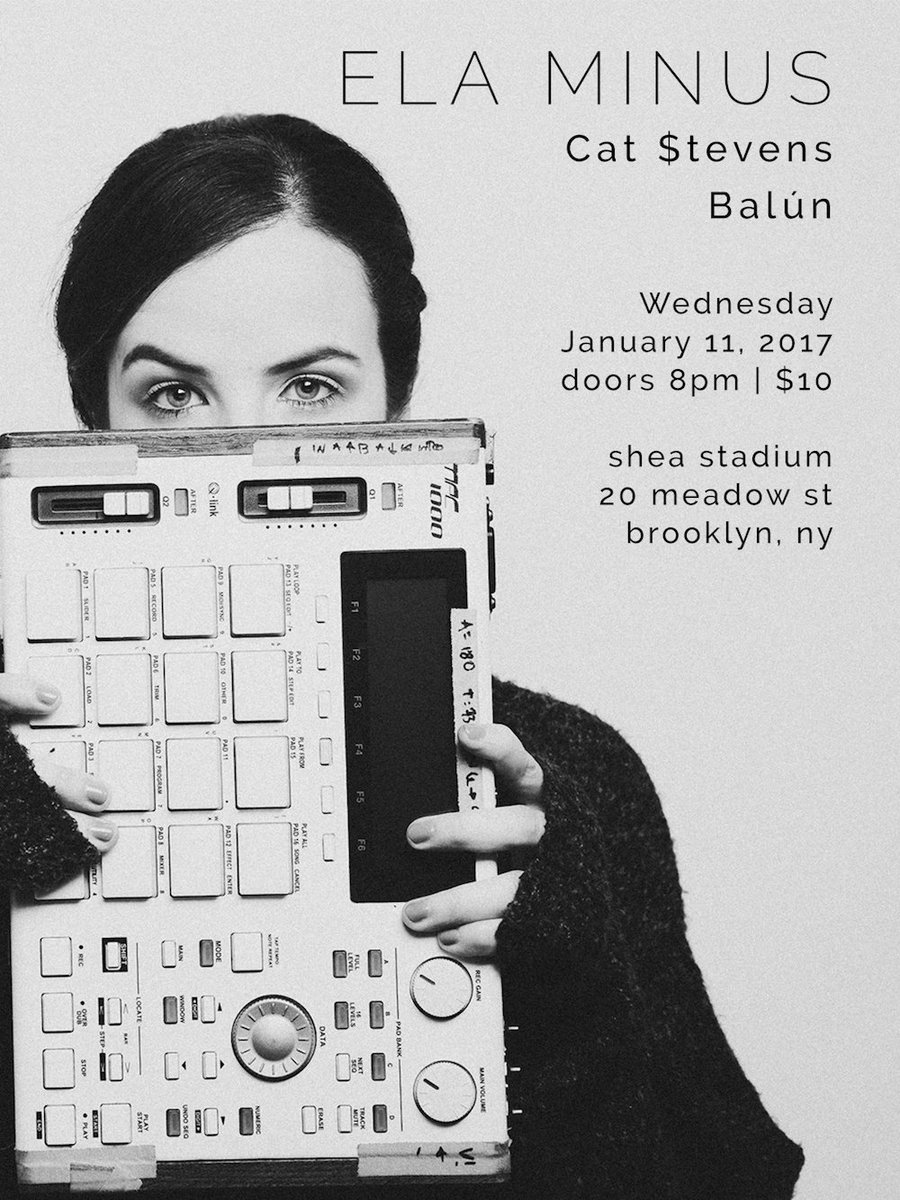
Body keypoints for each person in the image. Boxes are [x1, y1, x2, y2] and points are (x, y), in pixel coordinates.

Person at [0, 114, 804, 1199]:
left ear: (397, 405)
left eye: (311, 388)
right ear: (93, 418)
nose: (245, 452)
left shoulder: (569, 778)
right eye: (174, 395)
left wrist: (561, 994)